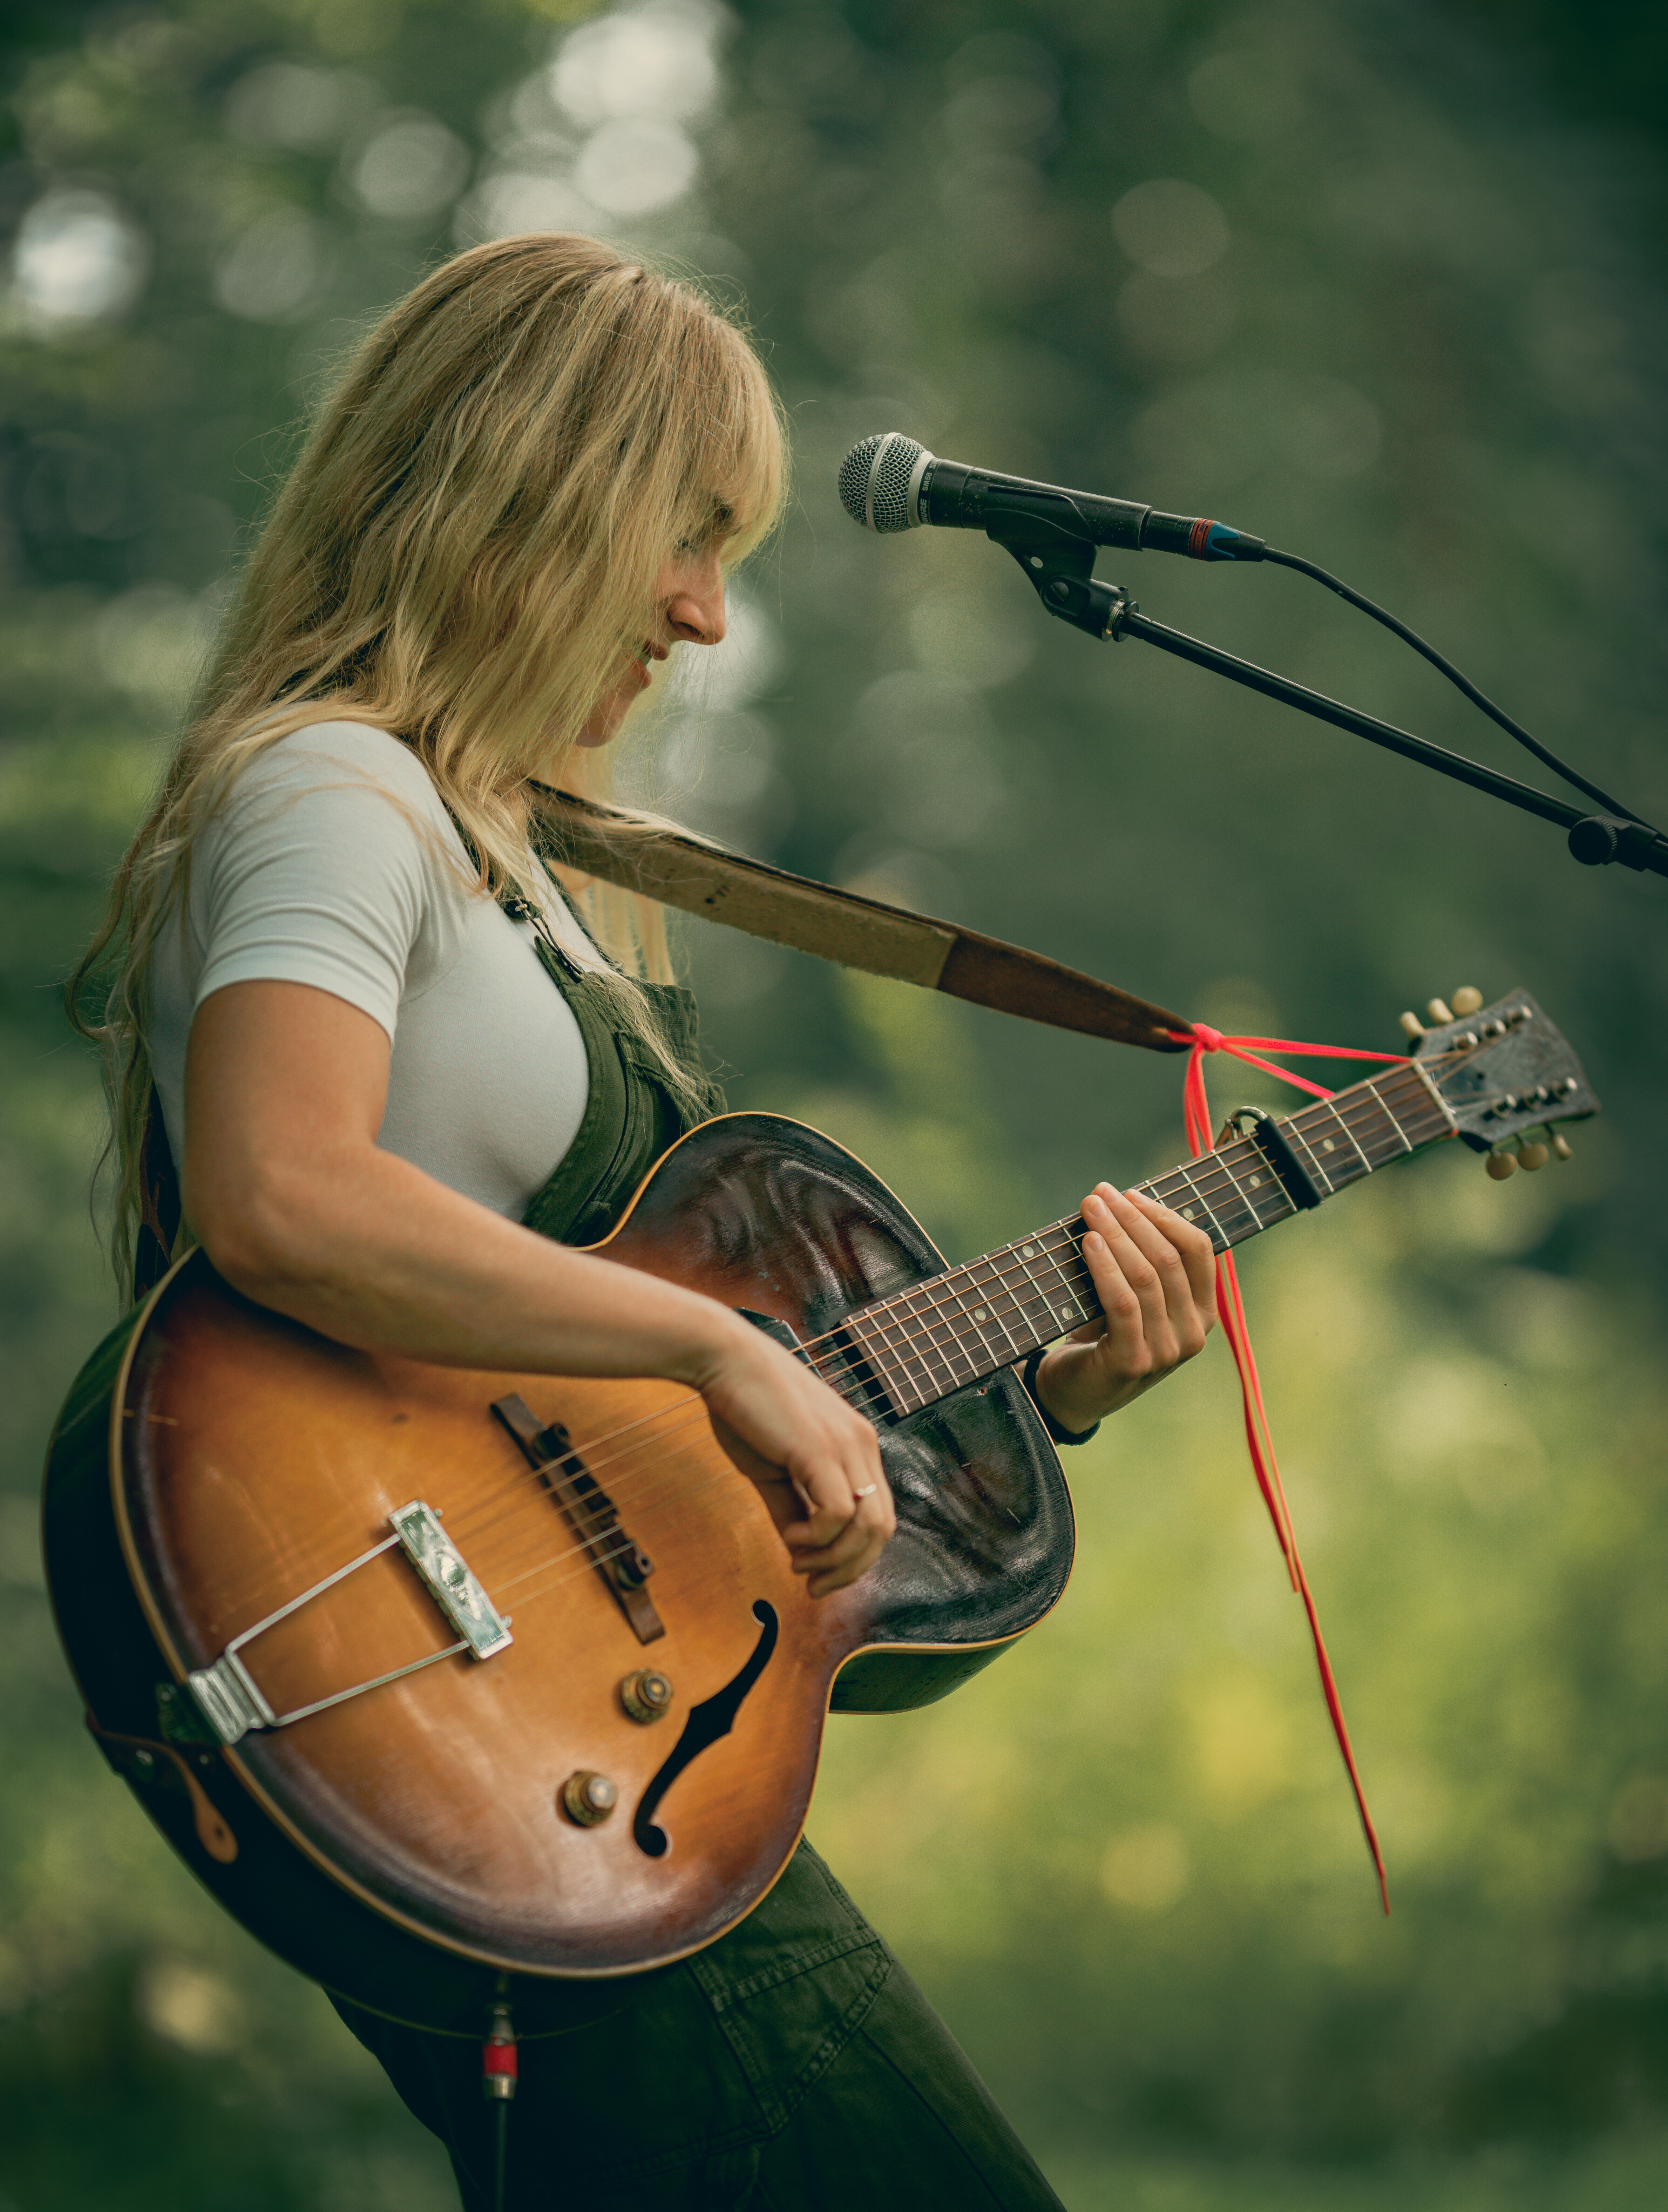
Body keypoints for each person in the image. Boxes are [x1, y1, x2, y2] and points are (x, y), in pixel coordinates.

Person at [71, 235, 1216, 2210]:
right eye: (680, 535)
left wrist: (1052, 1392)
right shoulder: (337, 792)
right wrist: (716, 1343)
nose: (699, 615)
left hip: (571, 1712)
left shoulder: (533, 861)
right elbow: (278, 1189)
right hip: (416, 1683)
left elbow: (698, 1498)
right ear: (523, 497)